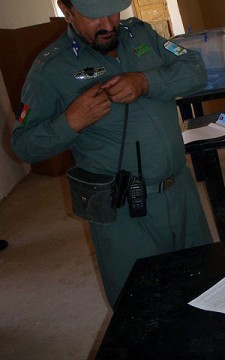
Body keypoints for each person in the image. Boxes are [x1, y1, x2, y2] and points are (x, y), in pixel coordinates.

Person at [10, 0, 213, 307]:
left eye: (113, 11)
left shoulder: (141, 35)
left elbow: (196, 68)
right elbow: (23, 145)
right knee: (142, 305)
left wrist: (147, 81)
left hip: (180, 192)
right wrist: (70, 122)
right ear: (67, 11)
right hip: (122, 212)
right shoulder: (50, 69)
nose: (107, 24)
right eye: (94, 15)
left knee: (205, 284)